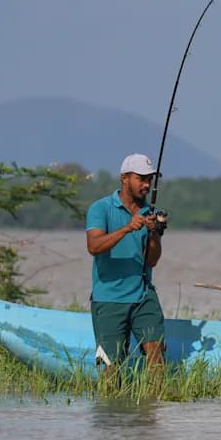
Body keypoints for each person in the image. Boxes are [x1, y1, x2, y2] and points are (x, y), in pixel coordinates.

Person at [86, 153, 167, 374]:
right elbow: (93, 247)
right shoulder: (100, 208)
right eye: (141, 178)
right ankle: (112, 409)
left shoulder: (148, 214)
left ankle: (153, 407)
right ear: (124, 178)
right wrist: (127, 228)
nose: (147, 184)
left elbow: (152, 260)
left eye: (149, 179)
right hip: (109, 298)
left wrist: (154, 234)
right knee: (111, 371)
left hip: (143, 295)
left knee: (156, 355)